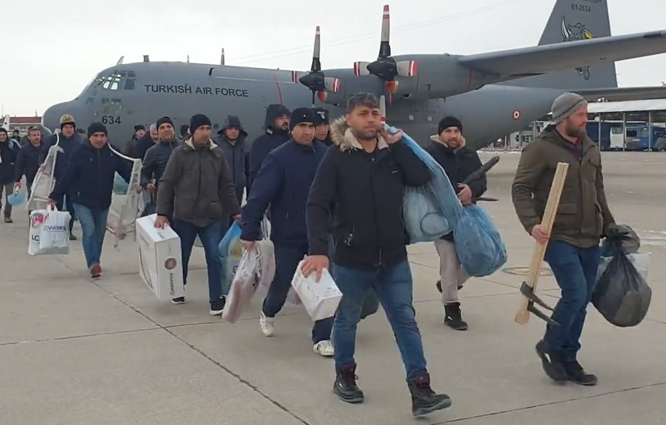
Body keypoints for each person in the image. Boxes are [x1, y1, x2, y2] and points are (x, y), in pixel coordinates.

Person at [303, 93, 451, 416]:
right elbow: (316, 204)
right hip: (352, 258)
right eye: (364, 114)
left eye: (375, 113)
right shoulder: (336, 157)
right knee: (347, 321)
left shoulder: (393, 152)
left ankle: (420, 387)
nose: (371, 119)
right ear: (350, 119)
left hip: (394, 258)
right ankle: (345, 376)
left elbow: (422, 177)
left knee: (405, 321)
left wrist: (398, 145)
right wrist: (318, 251)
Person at [512, 92, 616, 386]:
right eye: (581, 114)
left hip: (590, 235)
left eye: (586, 114)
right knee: (575, 292)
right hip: (558, 235)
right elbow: (520, 189)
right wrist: (532, 224)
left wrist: (610, 225)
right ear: (564, 118)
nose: (586, 119)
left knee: (582, 300)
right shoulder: (540, 149)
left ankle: (568, 358)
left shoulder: (590, 147)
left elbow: (599, 190)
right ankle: (551, 346)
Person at [240, 108, 334, 357]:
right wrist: (249, 230)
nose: (307, 131)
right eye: (302, 126)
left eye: (312, 127)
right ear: (291, 128)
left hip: (321, 233)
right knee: (283, 280)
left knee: (326, 283)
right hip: (289, 231)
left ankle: (322, 335)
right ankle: (269, 311)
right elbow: (260, 195)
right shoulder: (278, 158)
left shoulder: (326, 155)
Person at [155, 114, 241, 315]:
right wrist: (162, 213)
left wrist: (236, 211)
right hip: (185, 215)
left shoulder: (217, 155)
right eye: (201, 129)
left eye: (207, 128)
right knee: (182, 255)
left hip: (211, 215)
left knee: (214, 255)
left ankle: (216, 298)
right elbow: (167, 183)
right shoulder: (180, 154)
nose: (205, 133)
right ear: (192, 132)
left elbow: (227, 186)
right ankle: (178, 287)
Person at [47, 123, 132, 278]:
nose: (99, 139)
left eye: (102, 136)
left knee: (99, 234)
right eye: (95, 136)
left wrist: (138, 183)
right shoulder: (80, 153)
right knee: (89, 229)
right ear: (89, 137)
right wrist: (55, 195)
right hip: (82, 199)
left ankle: (96, 260)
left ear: (106, 137)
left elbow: (126, 171)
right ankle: (92, 263)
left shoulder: (112, 153)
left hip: (103, 200)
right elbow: (68, 176)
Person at [426, 116, 486, 331]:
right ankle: (452, 310)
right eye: (448, 131)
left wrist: (472, 191)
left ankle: (446, 285)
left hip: (468, 217)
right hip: (442, 219)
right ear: (440, 133)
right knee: (450, 262)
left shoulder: (469, 154)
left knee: (479, 256)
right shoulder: (431, 154)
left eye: (456, 131)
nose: (453, 135)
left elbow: (482, 181)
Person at [40, 114, 82, 240]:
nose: (68, 130)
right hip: (57, 178)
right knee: (56, 204)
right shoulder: (55, 139)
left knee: (70, 206)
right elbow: (43, 152)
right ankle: (56, 229)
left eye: (70, 127)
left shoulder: (78, 141)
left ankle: (68, 230)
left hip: (73, 180)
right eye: (66, 127)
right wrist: (42, 163)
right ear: (61, 128)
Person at [247, 104, 290, 193]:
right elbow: (254, 173)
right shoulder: (260, 143)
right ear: (271, 120)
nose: (286, 121)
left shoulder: (293, 141)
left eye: (287, 117)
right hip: (267, 193)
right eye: (281, 118)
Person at [141, 117, 179, 216]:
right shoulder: (152, 152)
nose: (166, 129)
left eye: (169, 126)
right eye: (162, 128)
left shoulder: (184, 147)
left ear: (174, 129)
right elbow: (144, 173)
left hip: (184, 198)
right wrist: (147, 183)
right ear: (158, 132)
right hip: (163, 198)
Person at [216, 115, 249, 208]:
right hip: (220, 191)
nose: (233, 131)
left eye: (236, 128)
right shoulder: (216, 145)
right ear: (225, 129)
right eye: (230, 128)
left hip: (239, 190)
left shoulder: (245, 146)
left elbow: (249, 170)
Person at [14, 126, 43, 211]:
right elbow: (19, 165)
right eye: (34, 135)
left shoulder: (47, 147)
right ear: (29, 137)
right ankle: (33, 220)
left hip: (46, 178)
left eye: (38, 135)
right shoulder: (24, 150)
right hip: (32, 178)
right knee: (32, 199)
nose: (36, 137)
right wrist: (17, 180)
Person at [0, 127, 20, 223]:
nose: (2, 137)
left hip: (10, 174)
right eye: (0, 135)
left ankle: (7, 215)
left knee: (9, 198)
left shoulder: (12, 144)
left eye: (4, 135)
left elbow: (19, 156)